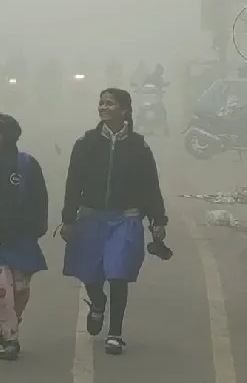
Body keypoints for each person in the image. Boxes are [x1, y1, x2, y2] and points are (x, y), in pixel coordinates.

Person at [58, 88, 168, 356]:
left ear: (125, 110)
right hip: (91, 218)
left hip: (126, 219)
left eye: (110, 103)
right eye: (101, 103)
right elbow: (73, 183)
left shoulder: (139, 147)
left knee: (118, 273)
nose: (103, 107)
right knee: (91, 273)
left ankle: (115, 333)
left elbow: (150, 186)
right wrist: (68, 219)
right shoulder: (86, 143)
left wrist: (157, 219)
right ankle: (97, 304)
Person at [0, 114, 48, 360]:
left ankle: (12, 319)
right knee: (3, 289)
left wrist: (37, 228)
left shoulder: (27, 164)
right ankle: (10, 337)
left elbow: (39, 199)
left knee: (21, 289)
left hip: (23, 240)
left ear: (8, 136)